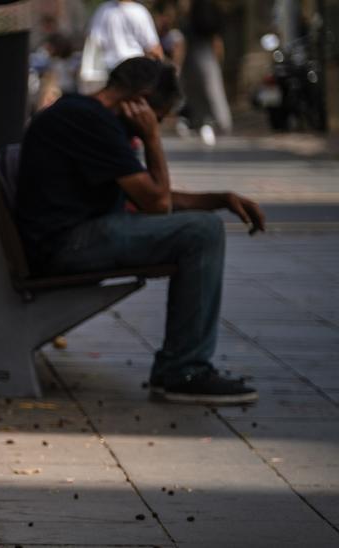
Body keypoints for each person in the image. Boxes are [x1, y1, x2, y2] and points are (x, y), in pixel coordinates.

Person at [14, 57, 266, 405]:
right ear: (141, 100)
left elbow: (146, 196)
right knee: (203, 233)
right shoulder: (91, 121)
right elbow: (157, 204)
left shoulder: (81, 113)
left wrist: (219, 199)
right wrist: (151, 138)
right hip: (64, 245)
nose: (154, 124)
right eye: (158, 116)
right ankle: (184, 370)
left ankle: (180, 367)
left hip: (65, 237)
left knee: (203, 224)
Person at [80, 0, 162, 92]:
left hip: (110, 73)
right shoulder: (139, 11)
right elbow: (153, 48)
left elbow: (93, 40)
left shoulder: (104, 10)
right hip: (134, 73)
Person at [182, 0, 231, 146]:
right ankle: (202, 121)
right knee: (196, 87)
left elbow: (212, 29)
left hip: (203, 47)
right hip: (196, 48)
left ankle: (221, 123)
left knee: (211, 86)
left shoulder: (205, 6)